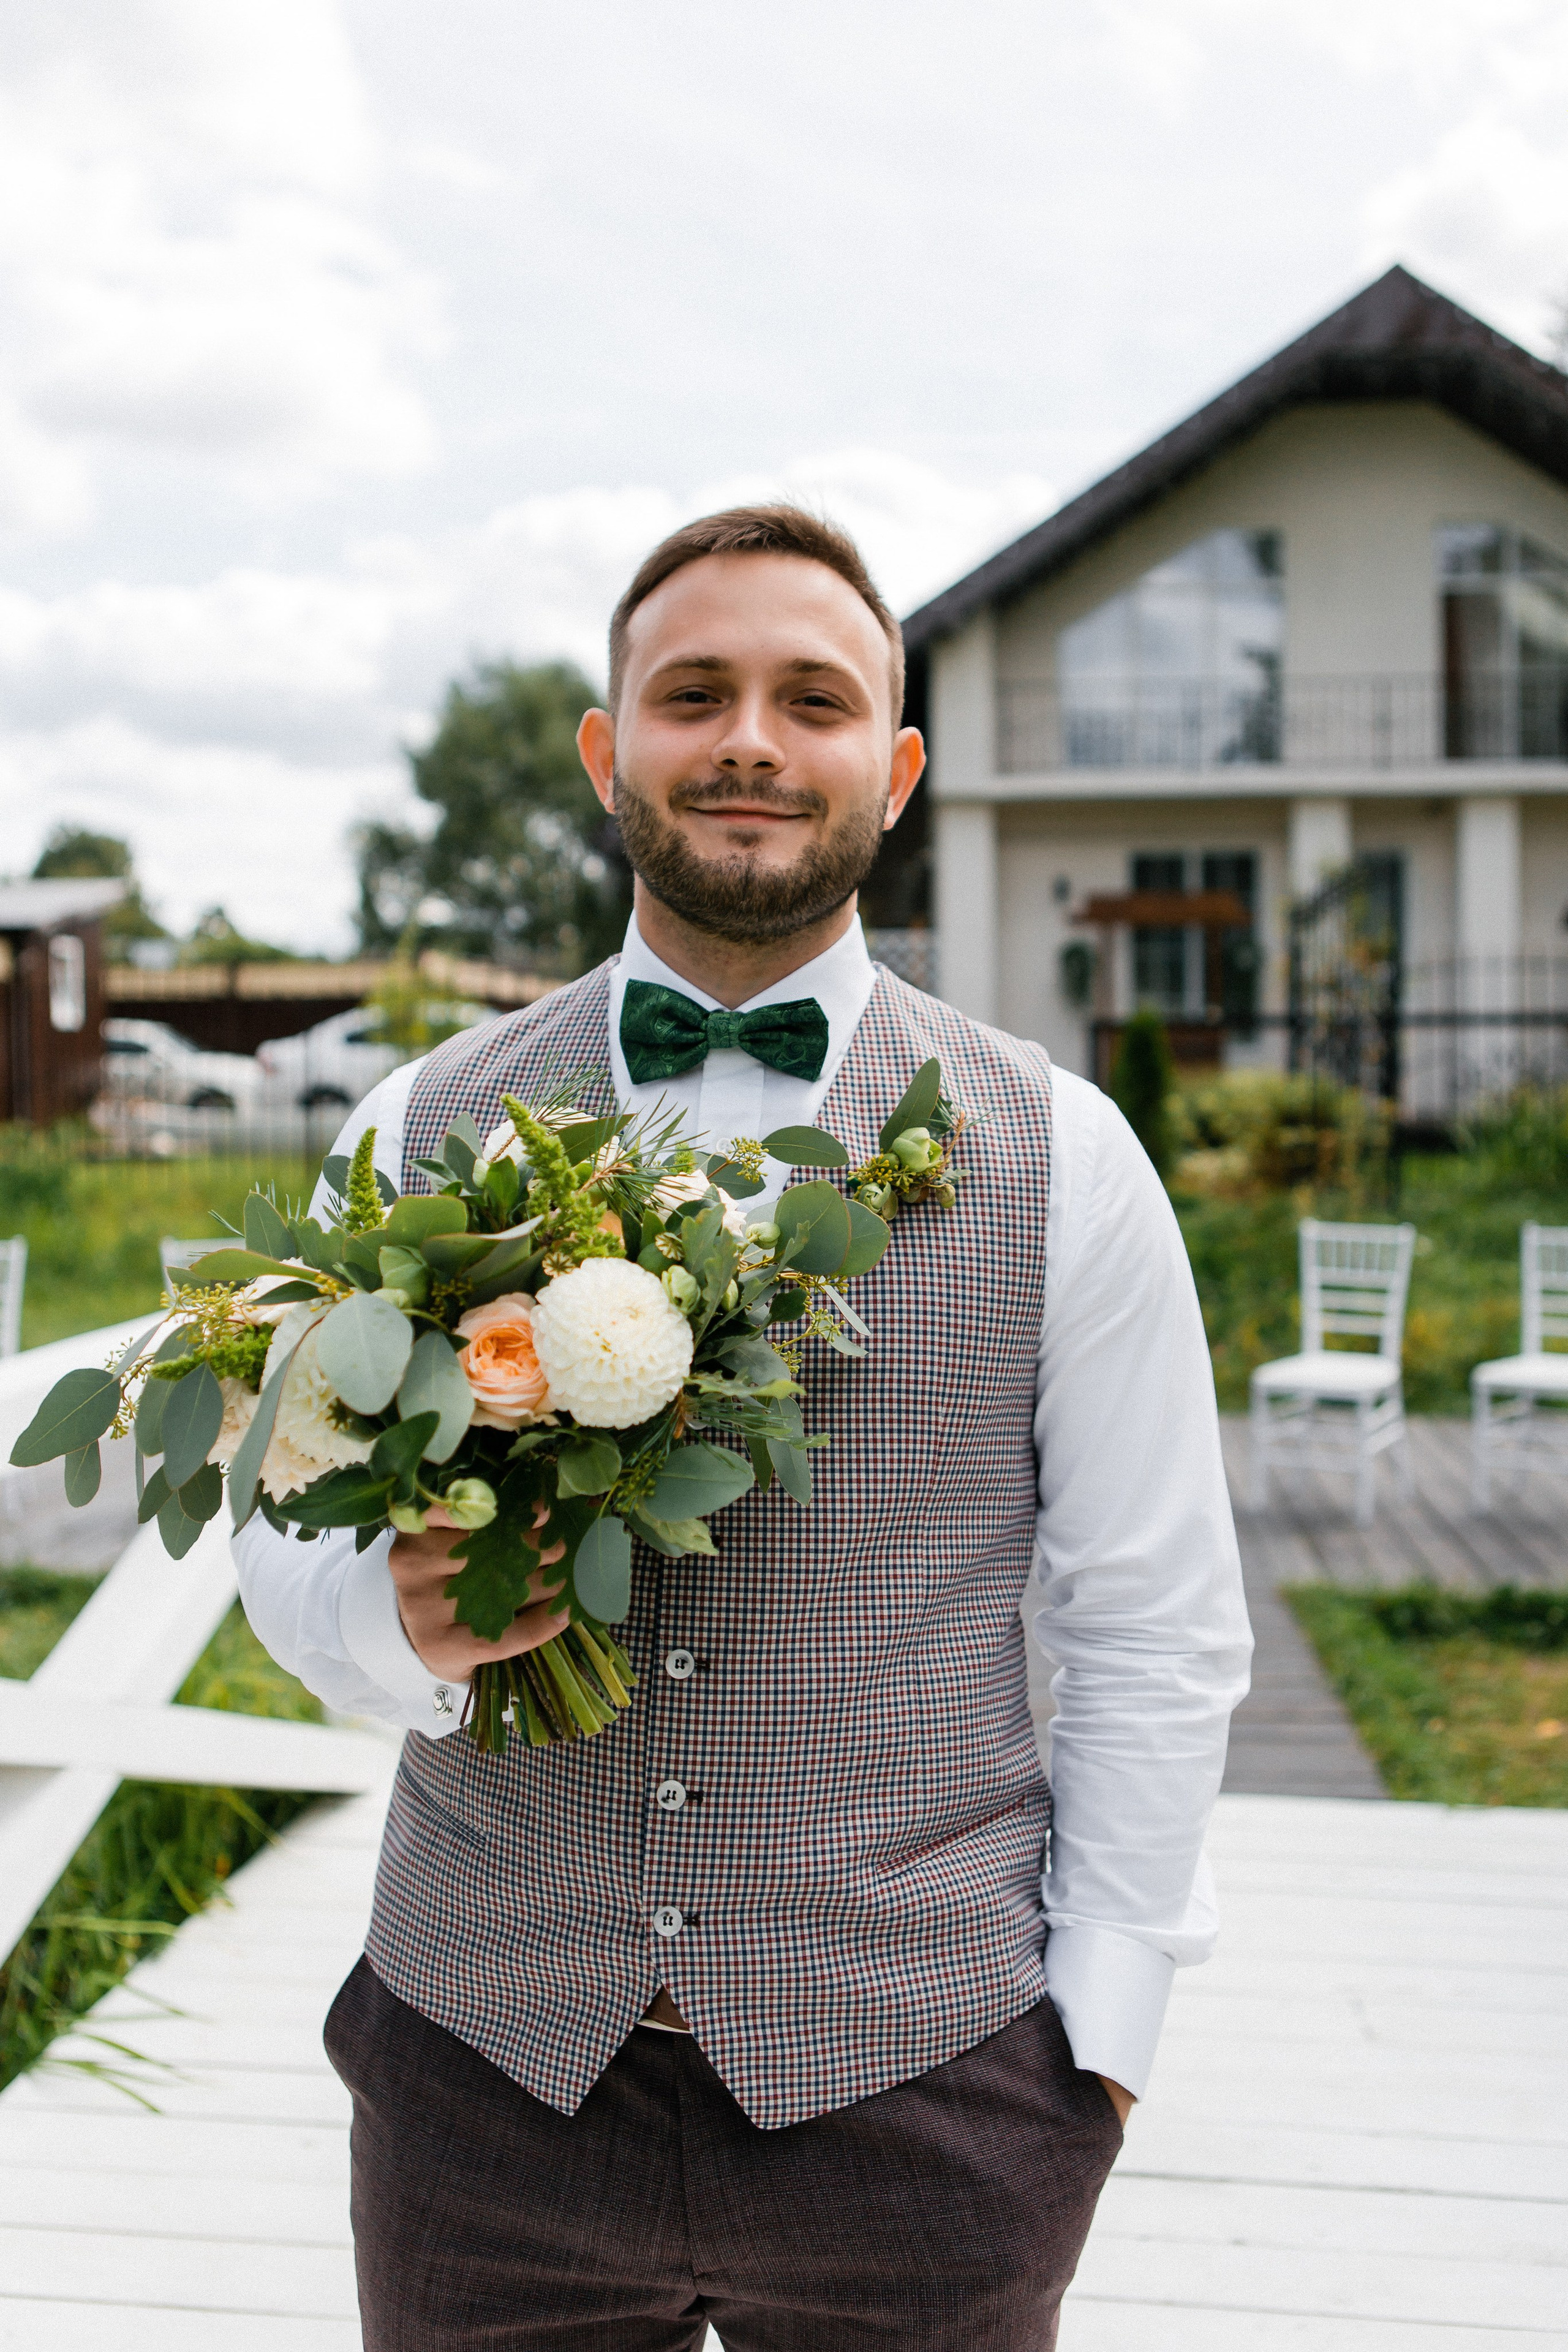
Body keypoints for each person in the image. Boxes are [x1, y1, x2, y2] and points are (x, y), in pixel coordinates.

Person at [235, 504, 1251, 2351]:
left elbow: (1153, 1626)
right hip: (484, 2085)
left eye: (816, 698)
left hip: (934, 2100)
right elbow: (280, 1535)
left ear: (899, 766)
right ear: (609, 749)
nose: (754, 741)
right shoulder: (414, 1132)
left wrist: (1100, 2050)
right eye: (694, 692)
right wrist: (398, 1623)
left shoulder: (1061, 1156)